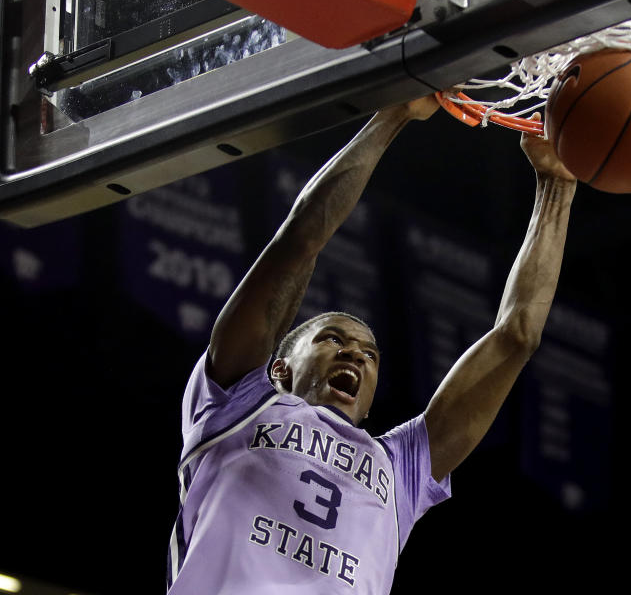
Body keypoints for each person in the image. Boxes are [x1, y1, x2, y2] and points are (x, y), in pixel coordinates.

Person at [165, 96, 577, 594]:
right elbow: (299, 241)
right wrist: (394, 111)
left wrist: (557, 185)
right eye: (332, 339)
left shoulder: (399, 466)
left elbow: (516, 336)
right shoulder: (238, 402)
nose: (354, 354)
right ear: (280, 370)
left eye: (369, 354)